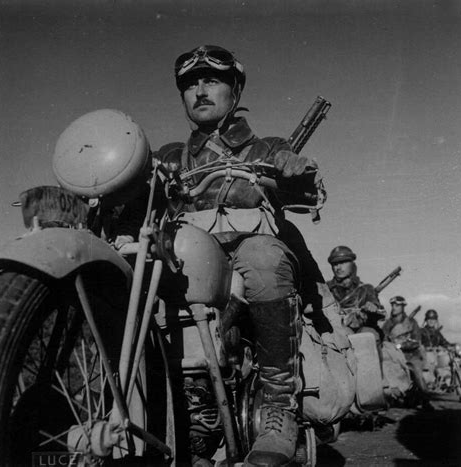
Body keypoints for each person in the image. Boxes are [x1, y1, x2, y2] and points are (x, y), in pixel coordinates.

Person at [115, 45, 329, 466]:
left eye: (211, 81)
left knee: (266, 257)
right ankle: (179, 411)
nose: (199, 91)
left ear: (235, 90)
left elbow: (300, 176)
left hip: (248, 257)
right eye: (190, 84)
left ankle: (278, 408)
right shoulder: (170, 157)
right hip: (190, 263)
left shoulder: (267, 147)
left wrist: (293, 166)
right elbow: (137, 195)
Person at [382, 296, 433, 410]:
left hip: (410, 355)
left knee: (417, 373)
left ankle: (426, 400)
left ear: (403, 307)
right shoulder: (388, 324)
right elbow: (384, 339)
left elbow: (417, 341)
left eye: (397, 305)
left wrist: (401, 345)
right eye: (393, 305)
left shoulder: (411, 323)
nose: (394, 308)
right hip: (394, 355)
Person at [326, 246, 385, 343]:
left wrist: (372, 306)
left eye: (343, 262)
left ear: (352, 264)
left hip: (362, 330)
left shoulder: (365, 289)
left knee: (370, 335)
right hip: (336, 332)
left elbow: (376, 305)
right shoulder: (326, 290)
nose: (338, 267)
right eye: (335, 264)